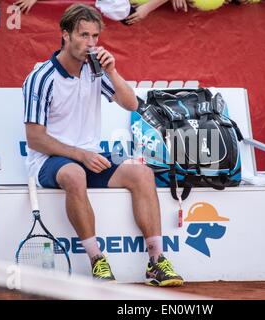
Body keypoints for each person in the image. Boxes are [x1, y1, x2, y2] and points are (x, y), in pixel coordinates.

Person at [22, 3, 184, 287]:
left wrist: (112, 71)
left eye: (95, 36)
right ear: (65, 35)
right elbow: (35, 138)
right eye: (84, 35)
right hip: (50, 161)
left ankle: (157, 262)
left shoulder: (95, 70)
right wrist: (79, 155)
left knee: (141, 172)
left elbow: (131, 104)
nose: (91, 43)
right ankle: (97, 260)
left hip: (89, 157)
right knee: (75, 173)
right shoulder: (41, 77)